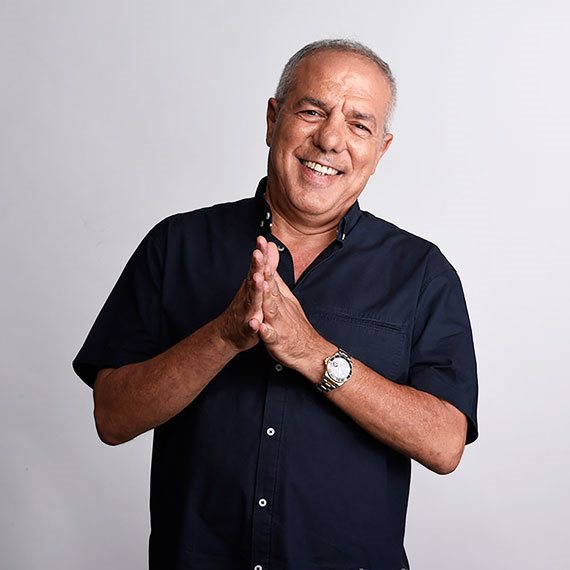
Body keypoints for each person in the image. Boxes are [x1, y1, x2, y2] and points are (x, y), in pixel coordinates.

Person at [73, 39, 478, 570]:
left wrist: (314, 354)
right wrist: (224, 335)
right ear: (272, 119)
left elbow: (445, 444)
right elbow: (112, 416)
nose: (329, 139)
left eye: (359, 125)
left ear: (381, 150)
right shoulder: (176, 246)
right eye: (312, 111)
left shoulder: (422, 273)